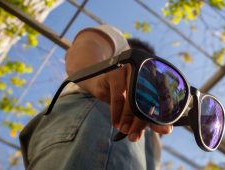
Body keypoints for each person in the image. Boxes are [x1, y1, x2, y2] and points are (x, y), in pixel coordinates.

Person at [19, 25, 173, 170]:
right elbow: (85, 49)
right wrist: (100, 80)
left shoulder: (154, 136)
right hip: (97, 118)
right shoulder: (120, 44)